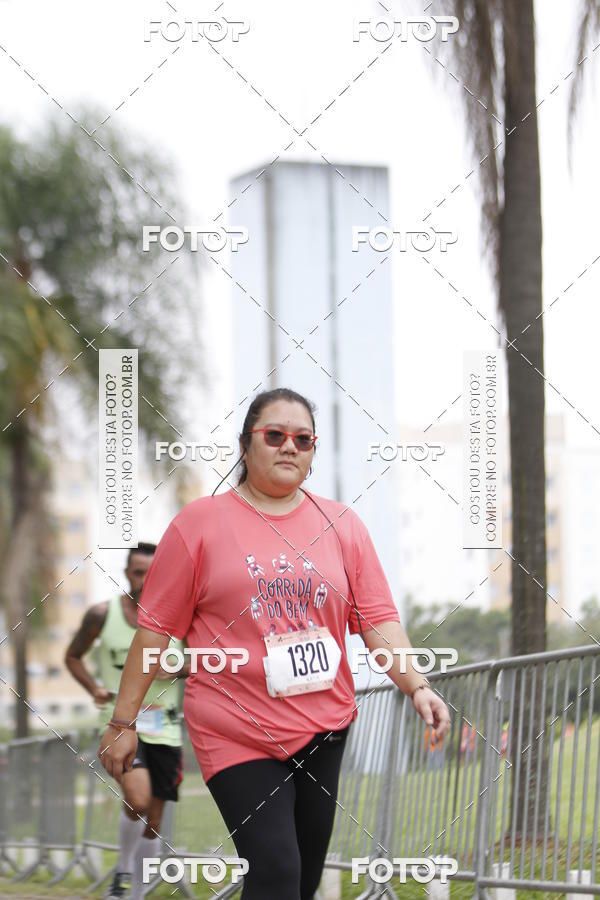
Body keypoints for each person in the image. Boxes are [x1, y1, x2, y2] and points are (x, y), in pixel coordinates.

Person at [97, 387, 452, 899]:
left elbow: (377, 619)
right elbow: (154, 631)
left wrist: (417, 685)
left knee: (301, 880)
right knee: (276, 869)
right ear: (246, 445)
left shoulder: (342, 526)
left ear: (313, 452)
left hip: (324, 727)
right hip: (234, 729)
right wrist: (123, 722)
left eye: (303, 439)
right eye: (275, 435)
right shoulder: (198, 525)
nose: (290, 446)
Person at [65, 543, 187, 899]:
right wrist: (94, 688)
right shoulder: (102, 614)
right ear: (126, 574)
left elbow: (213, 659)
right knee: (138, 798)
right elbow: (73, 656)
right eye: (138, 572)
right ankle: (123, 868)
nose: (145, 579)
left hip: (165, 727)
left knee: (155, 820)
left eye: (153, 572)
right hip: (120, 724)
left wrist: (178, 668)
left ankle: (134, 892)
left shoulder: (182, 619)